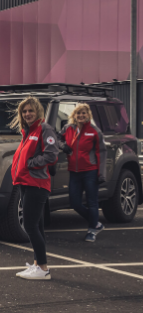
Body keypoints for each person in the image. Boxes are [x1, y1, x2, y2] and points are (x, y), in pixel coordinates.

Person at [10, 96, 58, 280]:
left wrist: (31, 164)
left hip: (36, 183)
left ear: (38, 111)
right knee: (37, 225)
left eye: (31, 110)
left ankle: (43, 269)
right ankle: (38, 264)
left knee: (29, 225)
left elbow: (52, 155)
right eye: (24, 111)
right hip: (25, 182)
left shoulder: (45, 130)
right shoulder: (28, 131)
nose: (27, 114)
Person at [59, 103, 106, 242]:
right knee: (75, 203)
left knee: (92, 202)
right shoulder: (68, 128)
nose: (81, 116)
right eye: (78, 113)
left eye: (83, 113)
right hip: (74, 172)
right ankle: (96, 223)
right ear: (74, 115)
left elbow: (102, 152)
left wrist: (101, 173)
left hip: (90, 171)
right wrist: (63, 146)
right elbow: (55, 139)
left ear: (88, 115)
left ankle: (92, 230)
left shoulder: (94, 131)